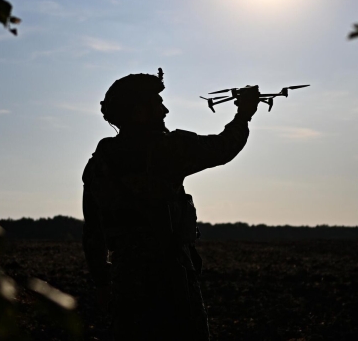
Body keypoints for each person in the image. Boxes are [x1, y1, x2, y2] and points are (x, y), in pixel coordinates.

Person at [81, 70, 260, 340]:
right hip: (170, 280)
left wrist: (103, 284)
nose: (164, 110)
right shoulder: (167, 149)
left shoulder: (98, 163)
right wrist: (244, 114)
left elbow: (93, 232)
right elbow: (223, 148)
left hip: (125, 282)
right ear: (138, 111)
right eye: (156, 103)